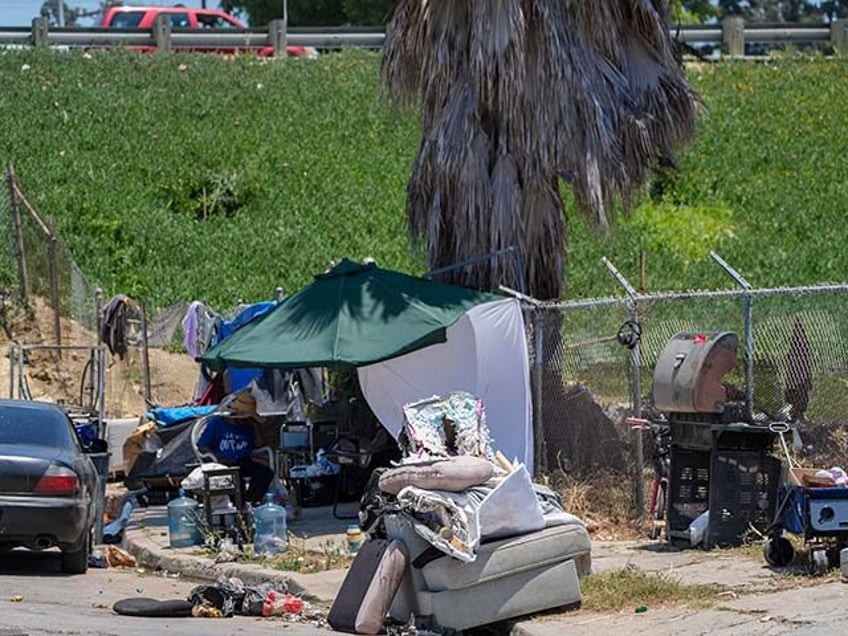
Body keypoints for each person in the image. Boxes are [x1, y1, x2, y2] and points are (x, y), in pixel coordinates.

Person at [196, 391, 274, 506]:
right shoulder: (217, 423)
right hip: (223, 462)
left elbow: (260, 445)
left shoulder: (248, 426)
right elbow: (202, 445)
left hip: (244, 460)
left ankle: (250, 502)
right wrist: (217, 458)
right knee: (236, 479)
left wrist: (256, 426)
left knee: (265, 473)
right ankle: (240, 507)